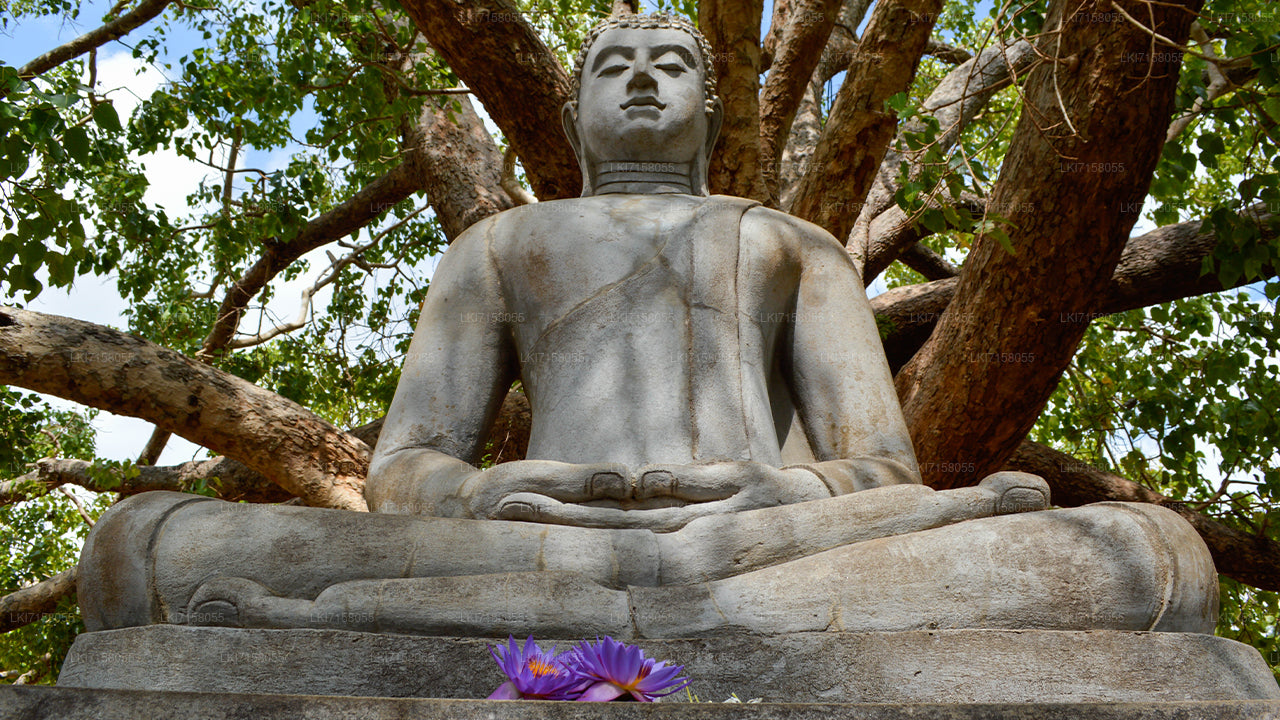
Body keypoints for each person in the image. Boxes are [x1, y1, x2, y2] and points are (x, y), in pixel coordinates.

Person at [77, 13, 1217, 638]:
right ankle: (653, 604)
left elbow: (881, 469)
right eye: (611, 67)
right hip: (534, 536)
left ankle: (599, 609)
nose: (638, 80)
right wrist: (487, 493)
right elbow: (407, 467)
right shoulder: (497, 246)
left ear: (711, 112)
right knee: (155, 551)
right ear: (573, 111)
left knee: (1125, 557)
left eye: (667, 62)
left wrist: (784, 491)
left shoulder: (793, 246)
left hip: (762, 541)